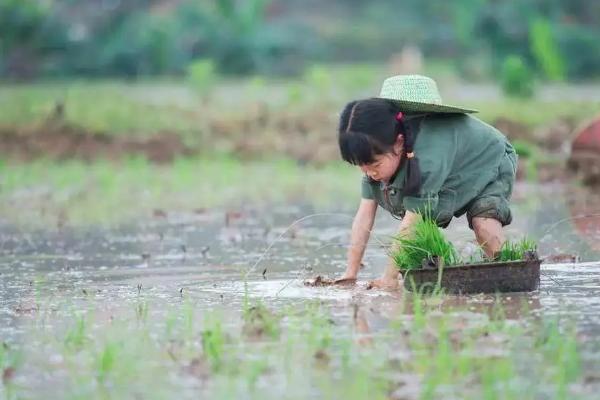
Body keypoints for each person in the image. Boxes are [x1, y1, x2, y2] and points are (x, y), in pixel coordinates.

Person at [335, 75, 517, 289]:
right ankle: (435, 277)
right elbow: (364, 216)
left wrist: (389, 278)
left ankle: (513, 276)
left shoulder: (428, 155)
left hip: (489, 159)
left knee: (483, 223)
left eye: (375, 165)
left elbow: (410, 222)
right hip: (450, 164)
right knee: (423, 234)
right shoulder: (379, 148)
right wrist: (350, 273)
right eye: (361, 166)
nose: (369, 173)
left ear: (399, 143)